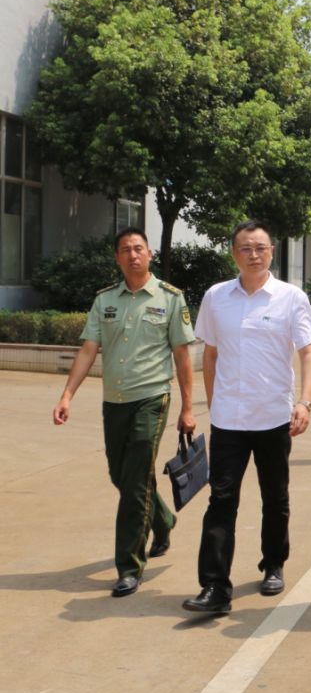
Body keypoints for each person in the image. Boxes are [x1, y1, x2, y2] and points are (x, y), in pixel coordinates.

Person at [182, 221, 311, 614]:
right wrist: (215, 402)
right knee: (221, 499)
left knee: (275, 496)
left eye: (261, 247)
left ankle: (273, 563)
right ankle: (214, 587)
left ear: (272, 251)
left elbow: (309, 351)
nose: (254, 254)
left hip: (274, 416)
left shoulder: (291, 298)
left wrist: (305, 402)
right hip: (229, 419)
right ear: (234, 254)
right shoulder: (216, 297)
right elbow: (210, 354)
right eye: (246, 248)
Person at [52, 227, 196, 597]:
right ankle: (163, 519)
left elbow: (182, 355)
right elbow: (88, 349)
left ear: (149, 254)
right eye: (125, 250)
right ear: (117, 258)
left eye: (138, 248)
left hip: (152, 398)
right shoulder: (105, 300)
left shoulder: (170, 298)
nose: (132, 255)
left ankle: (129, 567)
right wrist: (67, 395)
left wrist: (188, 407)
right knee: (122, 475)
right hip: (114, 401)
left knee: (133, 483)